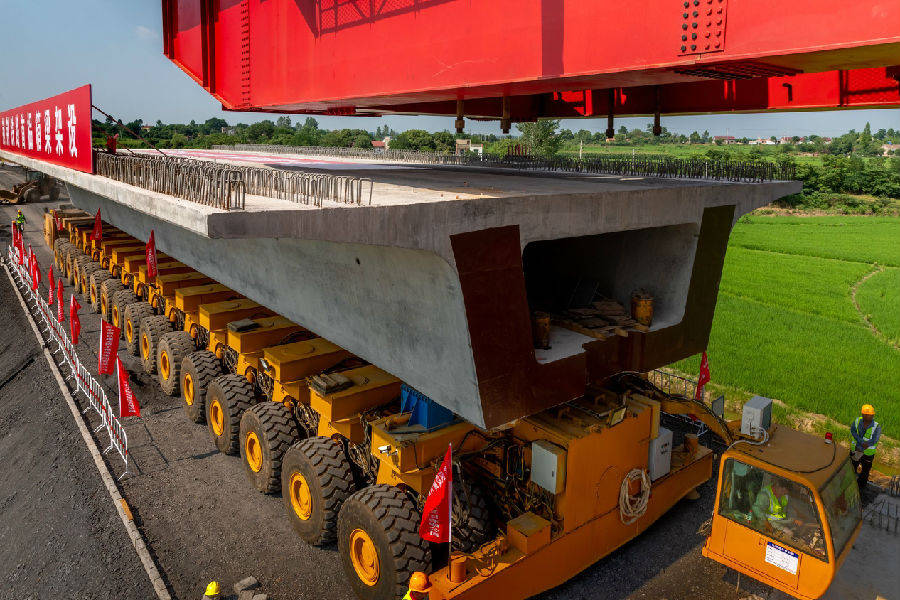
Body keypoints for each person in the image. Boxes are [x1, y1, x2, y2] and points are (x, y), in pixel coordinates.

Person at [850, 404, 881, 490]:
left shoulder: (876, 426)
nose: (871, 416)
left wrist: (864, 445)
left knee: (865, 472)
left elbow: (875, 439)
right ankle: (850, 484)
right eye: (868, 415)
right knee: (852, 468)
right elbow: (853, 431)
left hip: (868, 454)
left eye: (872, 415)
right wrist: (861, 442)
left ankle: (861, 488)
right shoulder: (857, 421)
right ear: (863, 415)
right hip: (855, 450)